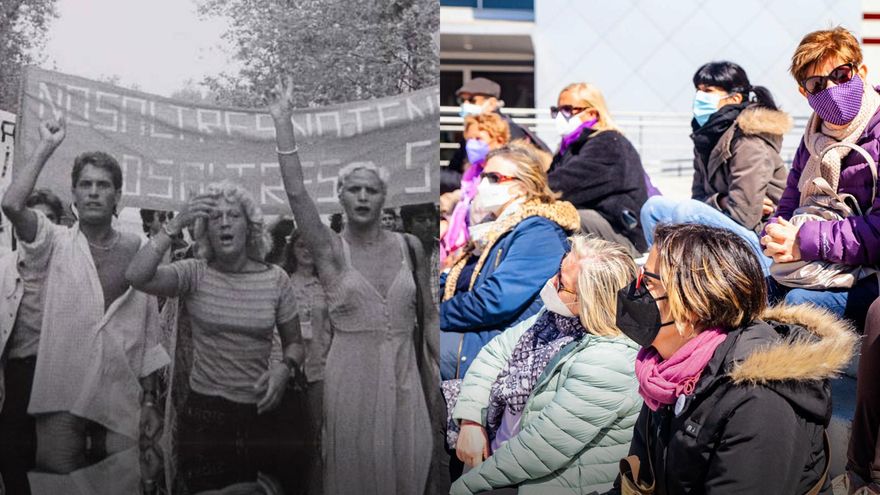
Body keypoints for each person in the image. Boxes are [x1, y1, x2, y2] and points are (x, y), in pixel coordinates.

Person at [269, 78, 444, 495]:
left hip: (406, 376)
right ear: (340, 197)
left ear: (384, 197)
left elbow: (430, 317)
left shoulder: (410, 247)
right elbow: (296, 194)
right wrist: (283, 124)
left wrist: (448, 376)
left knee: (412, 466)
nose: (363, 197)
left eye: (372, 190)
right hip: (351, 378)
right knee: (354, 474)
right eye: (354, 189)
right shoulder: (330, 251)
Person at [613, 223, 855, 494]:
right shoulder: (665, 376)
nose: (634, 290)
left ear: (693, 305)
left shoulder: (761, 401)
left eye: (647, 281)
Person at [0, 117, 169, 473]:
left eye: (103, 185)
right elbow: (13, 205)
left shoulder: (138, 249)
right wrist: (46, 146)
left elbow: (148, 335)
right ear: (74, 195)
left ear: (117, 196)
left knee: (122, 484)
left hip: (119, 400)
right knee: (59, 488)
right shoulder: (53, 243)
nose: (93, 192)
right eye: (85, 184)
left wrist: (151, 400)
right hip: (60, 400)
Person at [125, 181, 303, 491]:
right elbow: (136, 276)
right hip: (204, 417)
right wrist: (176, 223)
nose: (224, 222)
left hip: (261, 414)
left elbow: (296, 345)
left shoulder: (277, 279)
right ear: (206, 231)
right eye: (215, 217)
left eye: (233, 215)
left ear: (249, 227)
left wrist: (284, 368)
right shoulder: (195, 273)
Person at [451, 236, 641, 495]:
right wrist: (471, 421)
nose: (551, 283)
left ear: (592, 301)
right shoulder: (558, 318)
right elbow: (494, 354)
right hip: (502, 445)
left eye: (562, 283)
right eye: (558, 271)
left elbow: (540, 449)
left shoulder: (609, 361)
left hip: (541, 480)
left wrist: (464, 486)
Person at [762, 27, 880, 327]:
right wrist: (776, 232)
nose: (831, 88)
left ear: (861, 72)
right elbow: (788, 203)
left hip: (871, 271)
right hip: (820, 261)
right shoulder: (812, 138)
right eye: (817, 83)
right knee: (753, 290)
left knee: (798, 304)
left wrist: (804, 240)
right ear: (805, 92)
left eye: (841, 75)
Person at [440, 143, 580, 382]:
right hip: (479, 332)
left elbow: (493, 302)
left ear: (522, 188)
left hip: (499, 345)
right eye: (483, 175)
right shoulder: (493, 230)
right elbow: (457, 279)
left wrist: (433, 315)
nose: (483, 184)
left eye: (494, 178)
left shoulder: (538, 232)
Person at [640, 61, 791, 275]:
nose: (699, 97)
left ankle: (686, 283)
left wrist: (714, 202)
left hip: (761, 245)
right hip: (727, 233)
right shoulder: (708, 139)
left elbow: (744, 215)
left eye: (708, 91)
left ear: (735, 98)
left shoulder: (750, 141)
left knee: (687, 212)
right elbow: (698, 196)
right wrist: (722, 200)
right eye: (698, 90)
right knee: (653, 208)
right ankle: (661, 277)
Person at [0, 189, 63, 492]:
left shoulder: (70, 269)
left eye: (49, 220)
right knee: (13, 460)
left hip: (58, 378)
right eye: (35, 219)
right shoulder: (3, 269)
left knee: (53, 469)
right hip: (16, 379)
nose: (41, 228)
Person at [547, 82, 649, 257]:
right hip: (597, 223)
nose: (559, 116)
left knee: (552, 219)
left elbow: (564, 185)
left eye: (567, 110)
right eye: (556, 110)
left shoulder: (608, 143)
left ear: (592, 113)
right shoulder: (569, 147)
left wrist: (525, 190)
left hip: (621, 233)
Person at [284, 228, 332, 495]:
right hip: (290, 367)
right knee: (292, 433)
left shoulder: (327, 284)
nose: (306, 250)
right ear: (292, 249)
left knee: (316, 435)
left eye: (311, 245)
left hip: (321, 364)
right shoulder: (284, 282)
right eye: (301, 245)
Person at [441, 112, 510, 266]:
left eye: (478, 139)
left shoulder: (503, 174)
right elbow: (465, 197)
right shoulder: (473, 171)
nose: (472, 144)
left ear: (499, 140)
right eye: (469, 139)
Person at [447, 77, 549, 175]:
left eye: (472, 100)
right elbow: (454, 169)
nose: (466, 104)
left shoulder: (510, 130)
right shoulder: (472, 130)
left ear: (492, 103)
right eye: (461, 100)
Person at [400, 203, 440, 304]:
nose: (429, 224)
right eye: (421, 220)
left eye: (431, 219)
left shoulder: (444, 249)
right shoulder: (399, 256)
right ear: (409, 225)